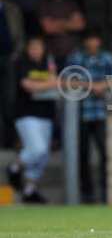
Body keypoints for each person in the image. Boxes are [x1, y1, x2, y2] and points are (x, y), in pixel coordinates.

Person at [6, 37, 58, 203]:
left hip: (46, 115)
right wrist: (49, 84)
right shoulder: (22, 62)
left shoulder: (48, 62)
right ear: (28, 49)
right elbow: (28, 85)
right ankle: (14, 167)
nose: (36, 51)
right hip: (26, 114)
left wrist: (50, 82)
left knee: (42, 157)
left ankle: (30, 190)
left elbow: (57, 80)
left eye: (39, 48)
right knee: (37, 149)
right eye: (32, 47)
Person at [67, 31, 112, 203]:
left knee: (104, 155)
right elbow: (67, 79)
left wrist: (102, 85)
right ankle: (86, 194)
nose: (92, 42)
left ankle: (104, 193)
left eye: (95, 38)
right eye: (89, 38)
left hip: (101, 113)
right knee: (82, 155)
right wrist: (90, 85)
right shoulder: (77, 58)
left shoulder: (107, 58)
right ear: (86, 41)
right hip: (81, 114)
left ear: (99, 40)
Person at [38, 0, 86, 71]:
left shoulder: (71, 3)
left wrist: (56, 23)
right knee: (54, 84)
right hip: (52, 54)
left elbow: (80, 25)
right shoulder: (43, 4)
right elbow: (48, 28)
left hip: (73, 54)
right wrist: (69, 23)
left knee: (73, 83)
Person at [0, 0, 24, 148]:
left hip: (9, 60)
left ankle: (9, 141)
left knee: (9, 102)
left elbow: (20, 35)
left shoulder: (12, 8)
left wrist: (16, 54)